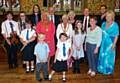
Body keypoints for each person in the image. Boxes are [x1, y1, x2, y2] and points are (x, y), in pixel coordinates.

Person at [97, 10, 119, 75]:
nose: (108, 18)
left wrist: (114, 44)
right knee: (102, 55)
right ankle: (101, 69)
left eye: (109, 16)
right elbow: (101, 33)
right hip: (103, 43)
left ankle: (108, 70)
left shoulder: (115, 25)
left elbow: (116, 35)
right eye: (107, 16)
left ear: (112, 17)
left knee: (109, 57)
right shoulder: (103, 24)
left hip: (110, 44)